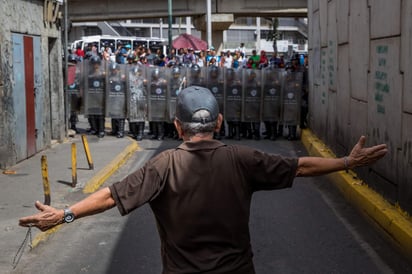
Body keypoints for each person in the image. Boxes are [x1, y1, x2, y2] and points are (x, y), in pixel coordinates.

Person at [19, 86, 388, 274]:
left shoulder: (163, 166)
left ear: (178, 126)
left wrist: (62, 216)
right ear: (220, 123)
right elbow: (301, 167)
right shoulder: (243, 159)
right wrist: (345, 162)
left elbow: (109, 197)